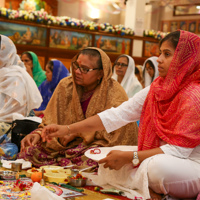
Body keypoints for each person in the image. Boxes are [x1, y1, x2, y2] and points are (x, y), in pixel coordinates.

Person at [41, 30, 200, 199]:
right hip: (157, 155)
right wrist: (66, 129)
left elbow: (178, 151)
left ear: (186, 59)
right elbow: (117, 115)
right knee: (108, 158)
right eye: (160, 53)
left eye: (167, 54)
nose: (159, 59)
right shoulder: (157, 89)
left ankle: (151, 189)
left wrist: (131, 157)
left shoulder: (194, 96)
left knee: (155, 168)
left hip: (188, 164)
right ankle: (151, 190)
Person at [19, 47, 138, 169]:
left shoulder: (114, 93)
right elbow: (52, 118)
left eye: (85, 69)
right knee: (29, 150)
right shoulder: (66, 85)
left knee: (95, 159)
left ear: (101, 73)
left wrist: (77, 133)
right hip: (63, 142)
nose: (77, 71)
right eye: (76, 65)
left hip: (93, 145)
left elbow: (117, 133)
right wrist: (40, 134)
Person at [0, 35, 42, 126]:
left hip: (9, 126)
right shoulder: (2, 74)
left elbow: (12, 114)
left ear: (4, 54)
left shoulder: (15, 78)